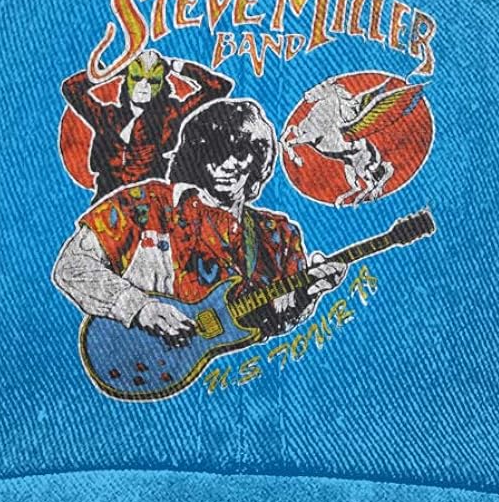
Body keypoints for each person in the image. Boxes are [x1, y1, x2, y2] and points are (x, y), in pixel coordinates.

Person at [52, 97, 346, 342]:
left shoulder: (278, 235)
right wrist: (139, 308)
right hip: (143, 358)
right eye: (214, 151)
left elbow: (276, 323)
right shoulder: (145, 204)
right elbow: (71, 266)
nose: (226, 164)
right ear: (196, 154)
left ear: (258, 160)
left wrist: (304, 298)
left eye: (240, 152)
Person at [61, 50, 234, 199]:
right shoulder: (109, 117)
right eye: (136, 78)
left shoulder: (171, 116)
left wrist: (179, 66)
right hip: (106, 202)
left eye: (152, 81)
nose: (143, 86)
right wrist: (113, 71)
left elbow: (220, 87)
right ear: (127, 79)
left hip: (149, 205)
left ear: (162, 84)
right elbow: (71, 88)